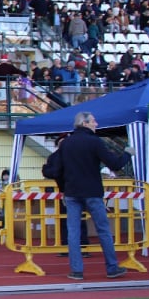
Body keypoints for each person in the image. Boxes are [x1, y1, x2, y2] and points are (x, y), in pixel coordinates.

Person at [58, 112, 131, 280]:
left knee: (73, 232)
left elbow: (58, 169)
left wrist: (63, 189)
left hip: (72, 191)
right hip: (92, 191)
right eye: (93, 121)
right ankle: (112, 267)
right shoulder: (95, 142)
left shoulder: (66, 143)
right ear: (85, 123)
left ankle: (76, 270)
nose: (96, 124)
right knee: (103, 230)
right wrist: (127, 153)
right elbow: (114, 164)